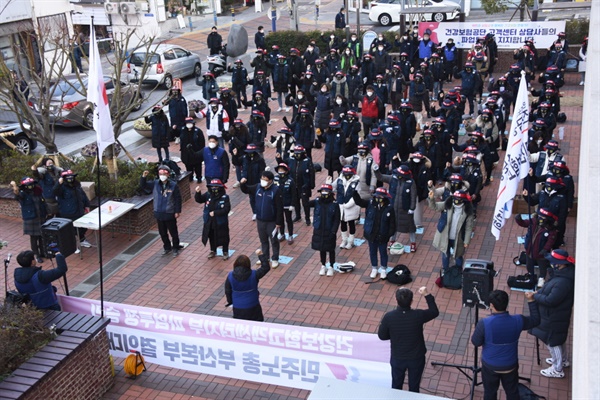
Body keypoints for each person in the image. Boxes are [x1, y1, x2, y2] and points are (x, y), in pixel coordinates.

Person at [471, 290, 540, 400]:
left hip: (490, 366)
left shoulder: (484, 323)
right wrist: (531, 300)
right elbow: (536, 320)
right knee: (512, 393)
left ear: (492, 305)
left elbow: (476, 342)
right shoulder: (518, 320)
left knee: (490, 393)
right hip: (510, 365)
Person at [378, 286, 439, 392]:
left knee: (396, 386)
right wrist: (426, 294)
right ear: (411, 301)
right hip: (416, 358)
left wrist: (393, 335)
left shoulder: (389, 317)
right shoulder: (418, 315)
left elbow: (382, 336)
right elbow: (434, 312)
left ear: (396, 300)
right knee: (414, 386)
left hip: (398, 358)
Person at [530, 249, 575, 379]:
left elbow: (551, 300)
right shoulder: (562, 276)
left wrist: (535, 297)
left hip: (555, 316)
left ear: (559, 264)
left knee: (553, 342)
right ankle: (563, 360)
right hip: (557, 315)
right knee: (559, 340)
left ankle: (557, 368)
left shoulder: (562, 282)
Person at [241, 171, 284, 269]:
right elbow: (246, 190)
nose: (263, 181)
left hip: (271, 221)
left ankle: (275, 258)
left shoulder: (276, 191)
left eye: (265, 180)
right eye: (262, 179)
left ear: (270, 181)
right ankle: (265, 257)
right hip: (260, 220)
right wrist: (242, 183)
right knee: (263, 240)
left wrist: (278, 222)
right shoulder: (257, 187)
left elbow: (279, 208)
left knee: (274, 241)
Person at [352, 188, 396, 279]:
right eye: (376, 196)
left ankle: (383, 268)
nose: (378, 198)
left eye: (380, 197)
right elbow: (359, 202)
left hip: (383, 235)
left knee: (383, 252)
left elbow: (392, 223)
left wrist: (388, 234)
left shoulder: (389, 208)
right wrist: (354, 192)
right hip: (371, 234)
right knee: (372, 252)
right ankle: (374, 268)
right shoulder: (370, 203)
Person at [428, 189, 475, 273]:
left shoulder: (468, 211)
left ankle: (458, 272)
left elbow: (469, 227)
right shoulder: (447, 204)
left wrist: (466, 241)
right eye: (454, 198)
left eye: (458, 199)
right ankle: (445, 271)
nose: (455, 201)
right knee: (445, 254)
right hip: (445, 236)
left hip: (459, 238)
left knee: (458, 256)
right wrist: (431, 199)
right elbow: (434, 206)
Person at [140, 166, 182, 256]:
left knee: (173, 232)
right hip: (159, 212)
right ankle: (167, 247)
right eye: (160, 174)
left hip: (169, 212)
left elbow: (178, 199)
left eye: (164, 174)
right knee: (162, 233)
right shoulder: (155, 184)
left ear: (168, 174)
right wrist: (143, 177)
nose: (162, 176)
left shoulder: (173, 185)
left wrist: (177, 211)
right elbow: (143, 186)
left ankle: (175, 247)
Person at [224, 250, 271, 321]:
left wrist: (230, 302)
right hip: (253, 305)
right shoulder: (254, 274)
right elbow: (266, 267)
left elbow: (227, 291)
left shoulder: (230, 276)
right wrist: (261, 255)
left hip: (238, 307)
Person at [10, 178, 48, 263]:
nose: (30, 186)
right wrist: (14, 187)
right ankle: (36, 255)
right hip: (31, 219)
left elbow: (43, 202)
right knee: (34, 238)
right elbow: (17, 196)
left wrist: (47, 212)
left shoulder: (38, 191)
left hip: (41, 217)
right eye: (28, 185)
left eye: (31, 184)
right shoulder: (23, 194)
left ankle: (43, 253)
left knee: (41, 236)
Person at [309, 184, 341, 277]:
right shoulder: (317, 201)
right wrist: (303, 194)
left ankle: (331, 266)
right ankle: (323, 265)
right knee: (321, 249)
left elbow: (337, 219)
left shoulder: (335, 204)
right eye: (322, 191)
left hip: (329, 230)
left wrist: (333, 231)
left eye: (326, 191)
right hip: (319, 230)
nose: (324, 193)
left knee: (331, 249)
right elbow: (306, 204)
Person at [53, 170, 91, 249]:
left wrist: (87, 205)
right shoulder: (62, 187)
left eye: (71, 177)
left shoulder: (77, 185)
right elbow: (55, 191)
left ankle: (82, 240)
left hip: (79, 210)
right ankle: (73, 246)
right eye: (68, 177)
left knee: (82, 227)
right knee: (71, 230)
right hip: (68, 213)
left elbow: (83, 195)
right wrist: (58, 183)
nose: (70, 179)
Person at [195, 180, 231, 261]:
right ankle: (213, 250)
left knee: (224, 236)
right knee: (211, 235)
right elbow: (199, 200)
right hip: (210, 221)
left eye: (216, 186)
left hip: (220, 221)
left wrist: (215, 213)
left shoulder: (225, 197)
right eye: (212, 186)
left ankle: (225, 251)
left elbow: (226, 209)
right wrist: (198, 193)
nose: (214, 188)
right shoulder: (208, 195)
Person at [334, 166, 361, 250]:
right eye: (345, 174)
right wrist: (328, 183)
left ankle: (350, 241)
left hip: (351, 207)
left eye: (349, 174)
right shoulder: (339, 179)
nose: (347, 176)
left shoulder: (357, 182)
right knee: (342, 223)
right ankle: (344, 240)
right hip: (341, 206)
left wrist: (348, 204)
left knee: (351, 224)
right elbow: (333, 187)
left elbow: (357, 195)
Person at [180, 117, 205, 182]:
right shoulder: (183, 130)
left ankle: (199, 177)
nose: (189, 124)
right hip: (186, 153)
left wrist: (200, 152)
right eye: (187, 123)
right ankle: (190, 177)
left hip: (196, 152)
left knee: (198, 166)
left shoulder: (198, 131)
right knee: (188, 166)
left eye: (190, 123)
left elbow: (202, 143)